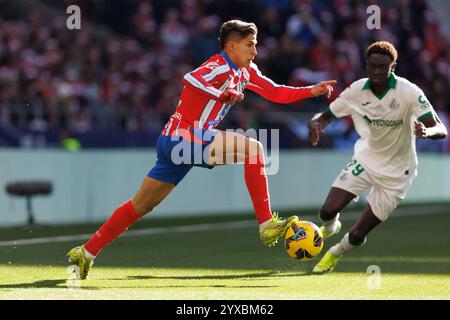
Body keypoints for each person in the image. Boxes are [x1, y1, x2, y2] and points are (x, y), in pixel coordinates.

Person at [67, 20, 336, 279]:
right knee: (253, 149)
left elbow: (275, 92)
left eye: (255, 45)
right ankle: (266, 224)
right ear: (231, 47)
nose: (255, 51)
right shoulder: (219, 65)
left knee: (139, 207)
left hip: (175, 142)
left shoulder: (246, 72)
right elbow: (190, 78)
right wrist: (219, 94)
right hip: (185, 137)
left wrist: (311, 91)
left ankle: (86, 252)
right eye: (250, 44)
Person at [308, 41, 447, 273]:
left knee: (358, 232)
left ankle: (334, 254)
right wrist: (316, 123)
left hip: (398, 173)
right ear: (366, 65)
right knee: (327, 211)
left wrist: (427, 132)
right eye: (372, 66)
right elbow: (325, 116)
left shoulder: (409, 92)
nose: (376, 72)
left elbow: (440, 128)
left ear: (393, 66)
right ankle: (330, 227)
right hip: (366, 160)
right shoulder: (357, 90)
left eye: (383, 67)